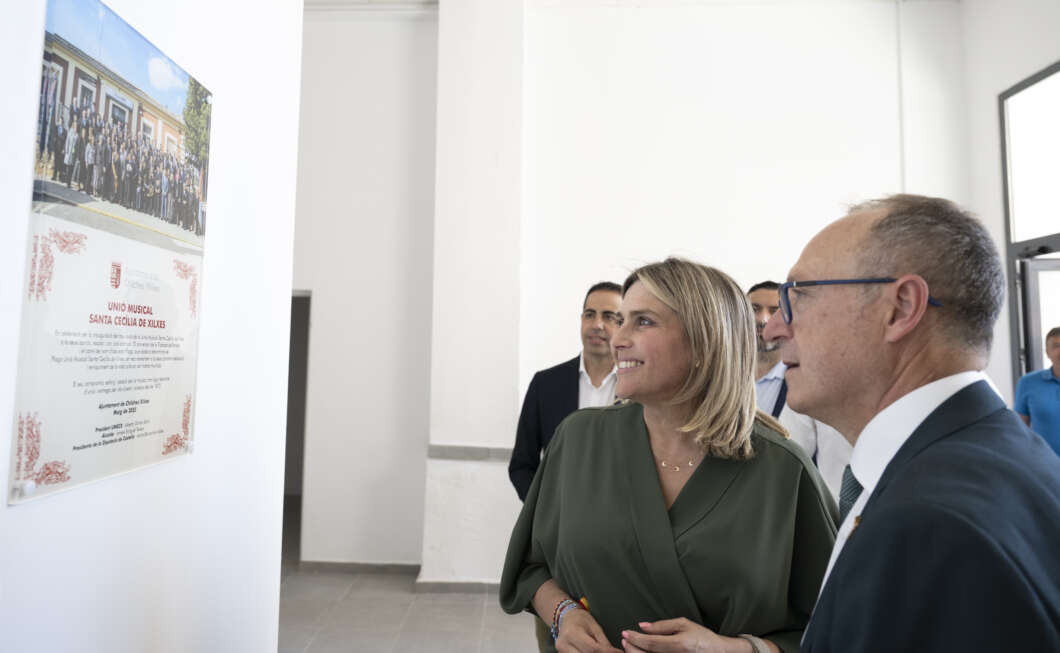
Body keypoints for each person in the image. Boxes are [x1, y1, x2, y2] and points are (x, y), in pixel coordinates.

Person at [761, 194, 1060, 651]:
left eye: (798, 295)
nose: (773, 329)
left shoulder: (932, 524)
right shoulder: (995, 462)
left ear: (900, 308)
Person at [502, 258, 837, 653]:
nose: (617, 338)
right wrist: (563, 614)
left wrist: (733, 649)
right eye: (621, 320)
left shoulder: (784, 472)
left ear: (705, 342)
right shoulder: (578, 440)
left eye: (643, 322)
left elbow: (836, 626)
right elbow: (532, 567)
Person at [508, 280, 623, 651]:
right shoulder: (547, 384)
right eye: (590, 314)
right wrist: (547, 514)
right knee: (557, 638)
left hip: (619, 550)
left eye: (610, 316)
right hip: (556, 550)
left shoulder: (639, 388)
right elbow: (522, 464)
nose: (598, 324)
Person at [748, 282, 851, 501]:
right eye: (754, 308)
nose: (764, 320)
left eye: (775, 310)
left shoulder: (811, 384)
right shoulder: (720, 378)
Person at [1015, 326, 1060, 455]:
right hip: (1043, 463)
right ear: (1047, 352)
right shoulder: (1027, 382)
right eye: (1056, 346)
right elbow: (1020, 429)